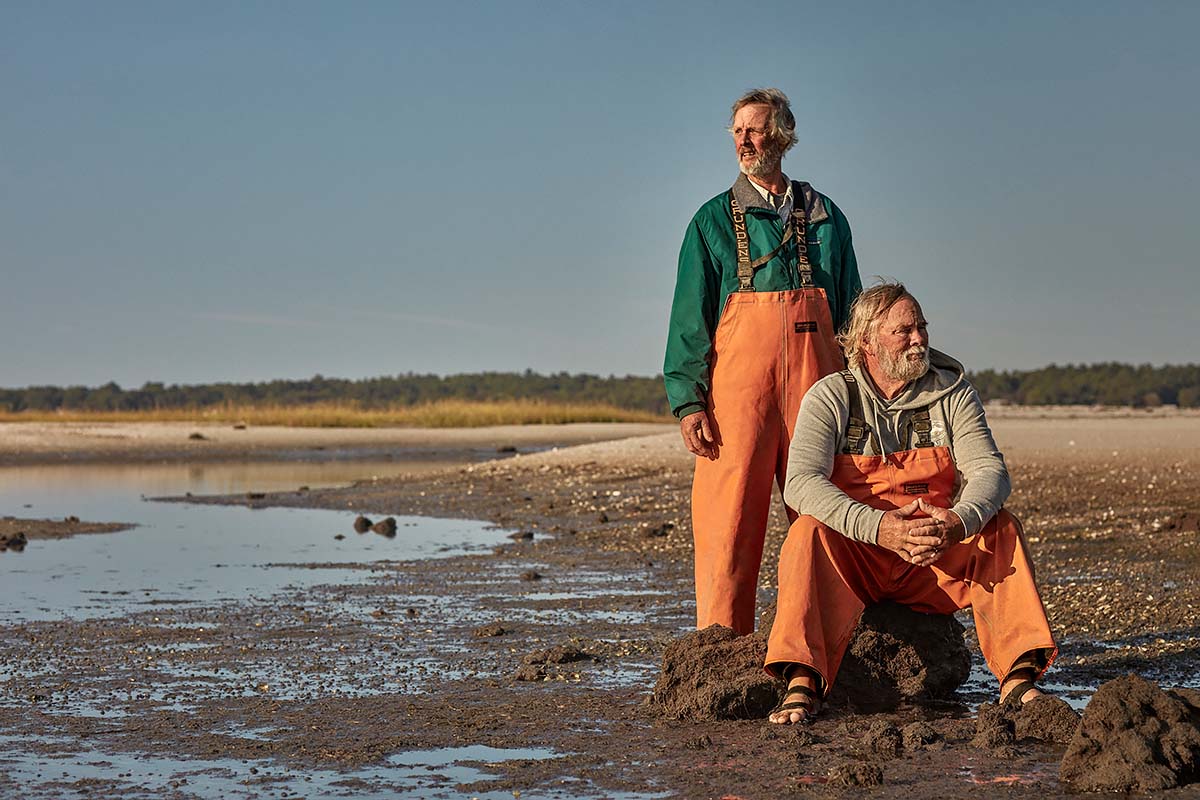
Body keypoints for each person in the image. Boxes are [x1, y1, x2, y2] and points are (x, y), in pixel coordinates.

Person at [763, 282, 1058, 724]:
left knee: (1001, 527)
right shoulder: (830, 395)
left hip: (933, 557)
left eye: (922, 327)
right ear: (866, 340)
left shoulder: (954, 392)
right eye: (904, 331)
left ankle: (1018, 680)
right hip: (859, 557)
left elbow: (990, 472)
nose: (919, 338)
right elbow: (801, 483)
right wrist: (880, 528)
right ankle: (802, 682)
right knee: (806, 531)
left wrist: (956, 524)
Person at [664, 88, 862, 635]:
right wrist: (687, 403)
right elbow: (689, 323)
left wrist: (865, 392)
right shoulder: (710, 222)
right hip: (735, 399)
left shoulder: (826, 216)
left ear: (784, 134)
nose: (743, 141)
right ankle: (721, 647)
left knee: (824, 512)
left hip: (818, 392)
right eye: (736, 131)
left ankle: (828, 638)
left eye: (754, 129)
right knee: (728, 520)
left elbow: (853, 314)